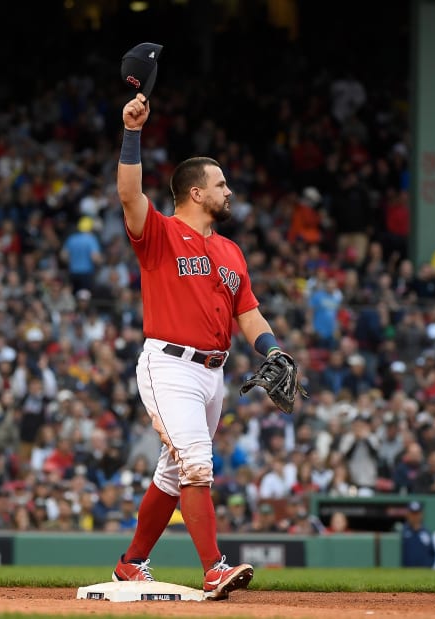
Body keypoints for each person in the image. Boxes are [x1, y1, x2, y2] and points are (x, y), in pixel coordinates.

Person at [110, 92, 302, 600]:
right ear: (195, 192)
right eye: (220, 184)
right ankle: (213, 567)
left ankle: (130, 564)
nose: (228, 190)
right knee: (196, 461)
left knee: (173, 473)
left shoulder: (229, 250)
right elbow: (130, 195)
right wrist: (132, 131)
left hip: (211, 374)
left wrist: (273, 351)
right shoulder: (161, 233)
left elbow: (248, 311)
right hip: (168, 364)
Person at [401, 501, 435, 568]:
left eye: (417, 514)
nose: (415, 517)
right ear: (408, 514)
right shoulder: (402, 532)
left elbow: (433, 553)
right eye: (412, 514)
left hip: (425, 571)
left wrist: (429, 566)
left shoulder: (427, 533)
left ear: (421, 514)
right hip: (405, 571)